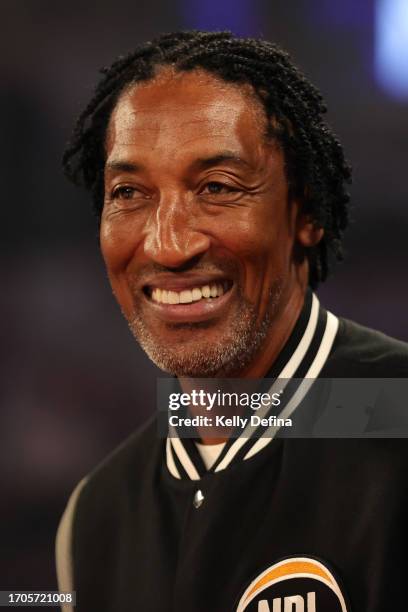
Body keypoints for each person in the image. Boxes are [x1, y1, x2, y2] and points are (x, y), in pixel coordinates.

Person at [56, 31, 408, 611]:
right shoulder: (95, 518)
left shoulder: (392, 421)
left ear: (307, 213)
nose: (167, 245)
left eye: (217, 187)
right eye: (130, 193)